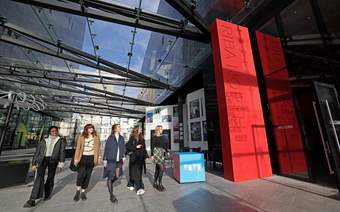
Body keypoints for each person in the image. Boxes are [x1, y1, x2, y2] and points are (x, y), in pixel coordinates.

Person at [24, 126, 65, 208]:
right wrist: (34, 163)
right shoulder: (44, 140)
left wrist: (61, 162)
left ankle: (47, 194)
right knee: (38, 178)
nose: (54, 132)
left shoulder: (60, 140)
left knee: (50, 177)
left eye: (56, 131)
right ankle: (32, 199)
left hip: (53, 160)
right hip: (42, 159)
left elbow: (62, 151)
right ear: (49, 131)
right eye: (53, 131)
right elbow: (37, 151)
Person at [73, 124, 101, 201]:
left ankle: (83, 192)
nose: (91, 129)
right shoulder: (82, 136)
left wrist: (98, 157)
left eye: (92, 128)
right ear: (86, 129)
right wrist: (76, 159)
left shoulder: (96, 136)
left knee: (88, 176)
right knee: (81, 175)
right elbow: (78, 148)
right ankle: (78, 190)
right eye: (90, 128)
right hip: (82, 157)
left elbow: (98, 147)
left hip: (91, 158)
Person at [103, 124, 126, 203]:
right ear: (115, 129)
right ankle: (111, 195)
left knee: (117, 175)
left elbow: (123, 147)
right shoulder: (110, 138)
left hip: (119, 160)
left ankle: (110, 182)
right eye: (119, 127)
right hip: (110, 160)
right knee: (110, 176)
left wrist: (123, 155)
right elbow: (106, 148)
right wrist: (105, 159)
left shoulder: (122, 138)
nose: (120, 128)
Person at [126, 126, 148, 195]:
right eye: (140, 129)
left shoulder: (142, 138)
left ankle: (130, 184)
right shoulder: (132, 137)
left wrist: (146, 156)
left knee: (138, 172)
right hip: (134, 158)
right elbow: (128, 146)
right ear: (136, 130)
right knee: (135, 173)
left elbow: (144, 148)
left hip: (140, 158)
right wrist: (135, 147)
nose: (141, 130)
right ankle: (139, 188)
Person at [151, 125, 168, 192]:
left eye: (162, 129)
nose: (162, 130)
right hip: (156, 153)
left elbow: (164, 145)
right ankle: (159, 183)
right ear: (158, 130)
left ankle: (155, 182)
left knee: (158, 169)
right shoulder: (154, 137)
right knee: (162, 168)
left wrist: (167, 151)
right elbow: (152, 146)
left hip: (161, 152)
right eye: (161, 129)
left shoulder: (163, 137)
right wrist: (152, 155)